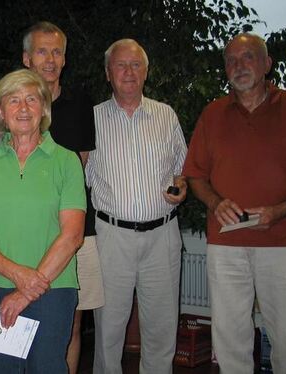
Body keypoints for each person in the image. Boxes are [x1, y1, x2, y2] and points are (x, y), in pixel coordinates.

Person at [183, 33, 286, 373]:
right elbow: (195, 176)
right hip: (227, 244)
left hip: (285, 242)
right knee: (230, 340)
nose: (239, 66)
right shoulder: (212, 115)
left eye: (248, 57)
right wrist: (215, 202)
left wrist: (282, 209)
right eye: (231, 60)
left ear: (267, 63)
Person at [0, 68, 86, 373]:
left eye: (31, 99)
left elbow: (72, 235)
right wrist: (18, 276)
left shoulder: (67, 161)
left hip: (53, 289)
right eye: (14, 100)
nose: (23, 108)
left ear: (43, 109)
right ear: (0, 111)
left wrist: (25, 291)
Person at [86, 39, 187, 374]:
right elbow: (77, 178)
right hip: (112, 237)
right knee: (109, 331)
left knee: (161, 329)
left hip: (163, 236)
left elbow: (182, 170)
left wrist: (181, 186)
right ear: (107, 73)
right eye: (120, 65)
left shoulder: (165, 114)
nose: (128, 72)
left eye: (136, 65)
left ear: (146, 72)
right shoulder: (92, 119)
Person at [21, 21, 104, 374]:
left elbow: (79, 167)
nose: (50, 59)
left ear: (65, 59)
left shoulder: (81, 103)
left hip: (75, 233)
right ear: (27, 58)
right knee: (24, 317)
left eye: (56, 52)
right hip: (24, 231)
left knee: (70, 321)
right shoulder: (17, 103)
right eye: (42, 51)